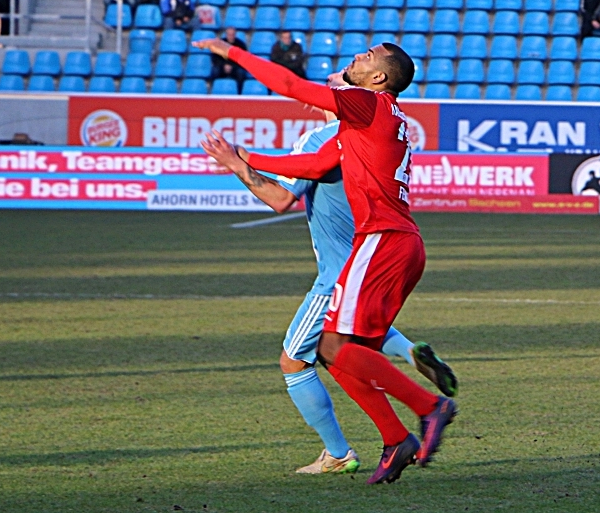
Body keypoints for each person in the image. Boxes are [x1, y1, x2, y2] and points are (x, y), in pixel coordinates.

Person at [192, 37, 456, 485]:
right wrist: (243, 159)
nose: (356, 57)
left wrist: (232, 53)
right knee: (339, 354)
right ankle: (396, 439)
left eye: (367, 57)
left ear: (377, 80)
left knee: (326, 351)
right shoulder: (366, 128)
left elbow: (290, 84)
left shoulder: (368, 106)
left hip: (381, 242)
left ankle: (429, 408)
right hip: (399, 245)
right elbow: (312, 168)